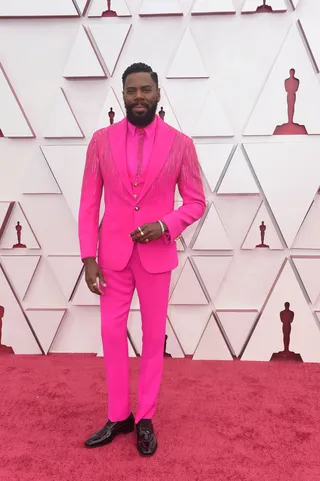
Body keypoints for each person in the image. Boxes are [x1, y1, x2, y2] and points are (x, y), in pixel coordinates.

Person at [78, 62, 206, 456]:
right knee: (111, 335)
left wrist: (164, 225)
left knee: (153, 339)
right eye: (131, 91)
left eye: (145, 90)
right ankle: (119, 416)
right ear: (122, 94)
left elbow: (196, 202)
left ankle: (145, 417)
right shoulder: (101, 140)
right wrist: (87, 257)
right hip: (111, 257)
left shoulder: (180, 143)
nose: (138, 97)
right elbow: (88, 202)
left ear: (157, 93)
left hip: (156, 258)